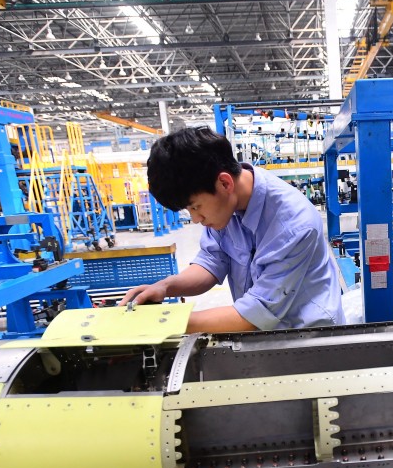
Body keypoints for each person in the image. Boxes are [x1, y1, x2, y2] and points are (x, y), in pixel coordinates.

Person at [120, 127, 344, 333]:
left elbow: (254, 314)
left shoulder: (294, 224)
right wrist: (165, 287)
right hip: (265, 331)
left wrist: (165, 322)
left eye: (195, 207)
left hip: (309, 336)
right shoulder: (225, 207)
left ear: (225, 183)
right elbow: (212, 261)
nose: (196, 219)